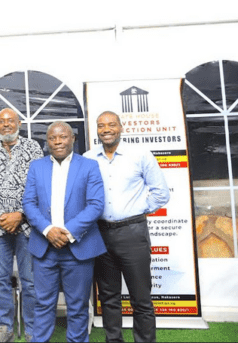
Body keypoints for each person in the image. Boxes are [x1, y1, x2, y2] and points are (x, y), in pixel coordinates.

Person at [84, 111, 170, 342]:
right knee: (108, 297)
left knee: (141, 298)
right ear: (97, 130)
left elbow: (161, 193)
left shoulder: (140, 154)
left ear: (121, 127)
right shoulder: (88, 158)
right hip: (100, 234)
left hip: (133, 233)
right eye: (101, 125)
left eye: (111, 124)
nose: (106, 129)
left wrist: (136, 210)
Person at [22, 121, 106, 342]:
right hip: (44, 248)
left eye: (63, 137)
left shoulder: (89, 166)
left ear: (73, 139)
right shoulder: (36, 167)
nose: (58, 141)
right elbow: (28, 203)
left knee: (77, 306)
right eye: (52, 138)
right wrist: (48, 230)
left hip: (78, 247)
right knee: (43, 303)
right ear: (47, 142)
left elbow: (96, 204)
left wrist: (67, 233)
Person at [0, 108, 42, 342]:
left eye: (10, 121)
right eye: (1, 121)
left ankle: (32, 329)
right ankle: (5, 327)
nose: (6, 125)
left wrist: (20, 215)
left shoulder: (33, 148)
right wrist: (1, 215)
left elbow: (39, 184)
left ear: (19, 123)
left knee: (30, 280)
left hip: (28, 226)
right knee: (0, 280)